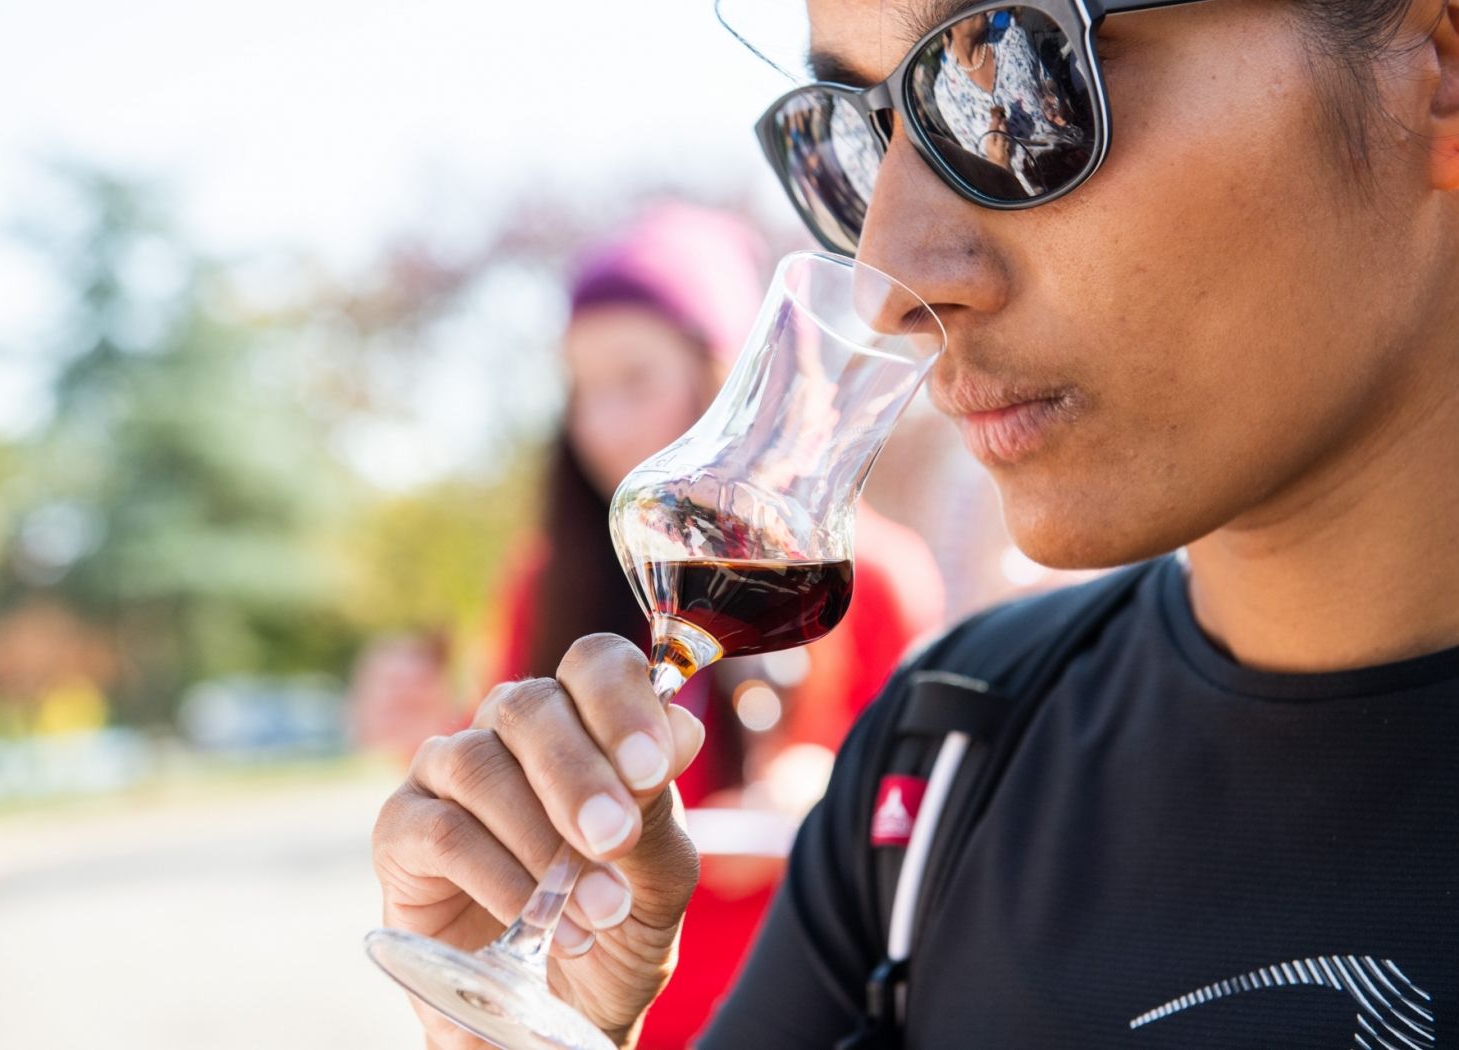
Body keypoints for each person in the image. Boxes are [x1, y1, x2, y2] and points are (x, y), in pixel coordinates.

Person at [371, 0, 1459, 1046]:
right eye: (844, 139)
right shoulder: (940, 757)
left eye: (1015, 79)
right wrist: (543, 1030)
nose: (886, 271)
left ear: (1439, 67)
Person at [378, 201, 943, 1047]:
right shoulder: (548, 583)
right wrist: (428, 744)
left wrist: (827, 797)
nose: (598, 423)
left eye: (631, 379)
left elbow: (932, 808)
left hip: (795, 1005)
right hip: (588, 1016)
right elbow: (513, 790)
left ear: (725, 379)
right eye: (580, 390)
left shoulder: (878, 579)